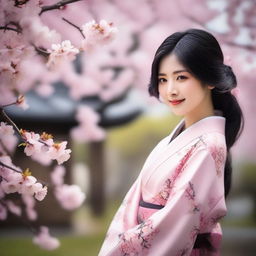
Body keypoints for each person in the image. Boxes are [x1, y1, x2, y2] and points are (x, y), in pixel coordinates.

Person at [98, 28, 244, 256]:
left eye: (181, 77)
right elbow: (132, 202)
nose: (170, 90)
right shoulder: (177, 138)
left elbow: (174, 226)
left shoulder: (208, 146)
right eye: (163, 80)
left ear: (210, 79)